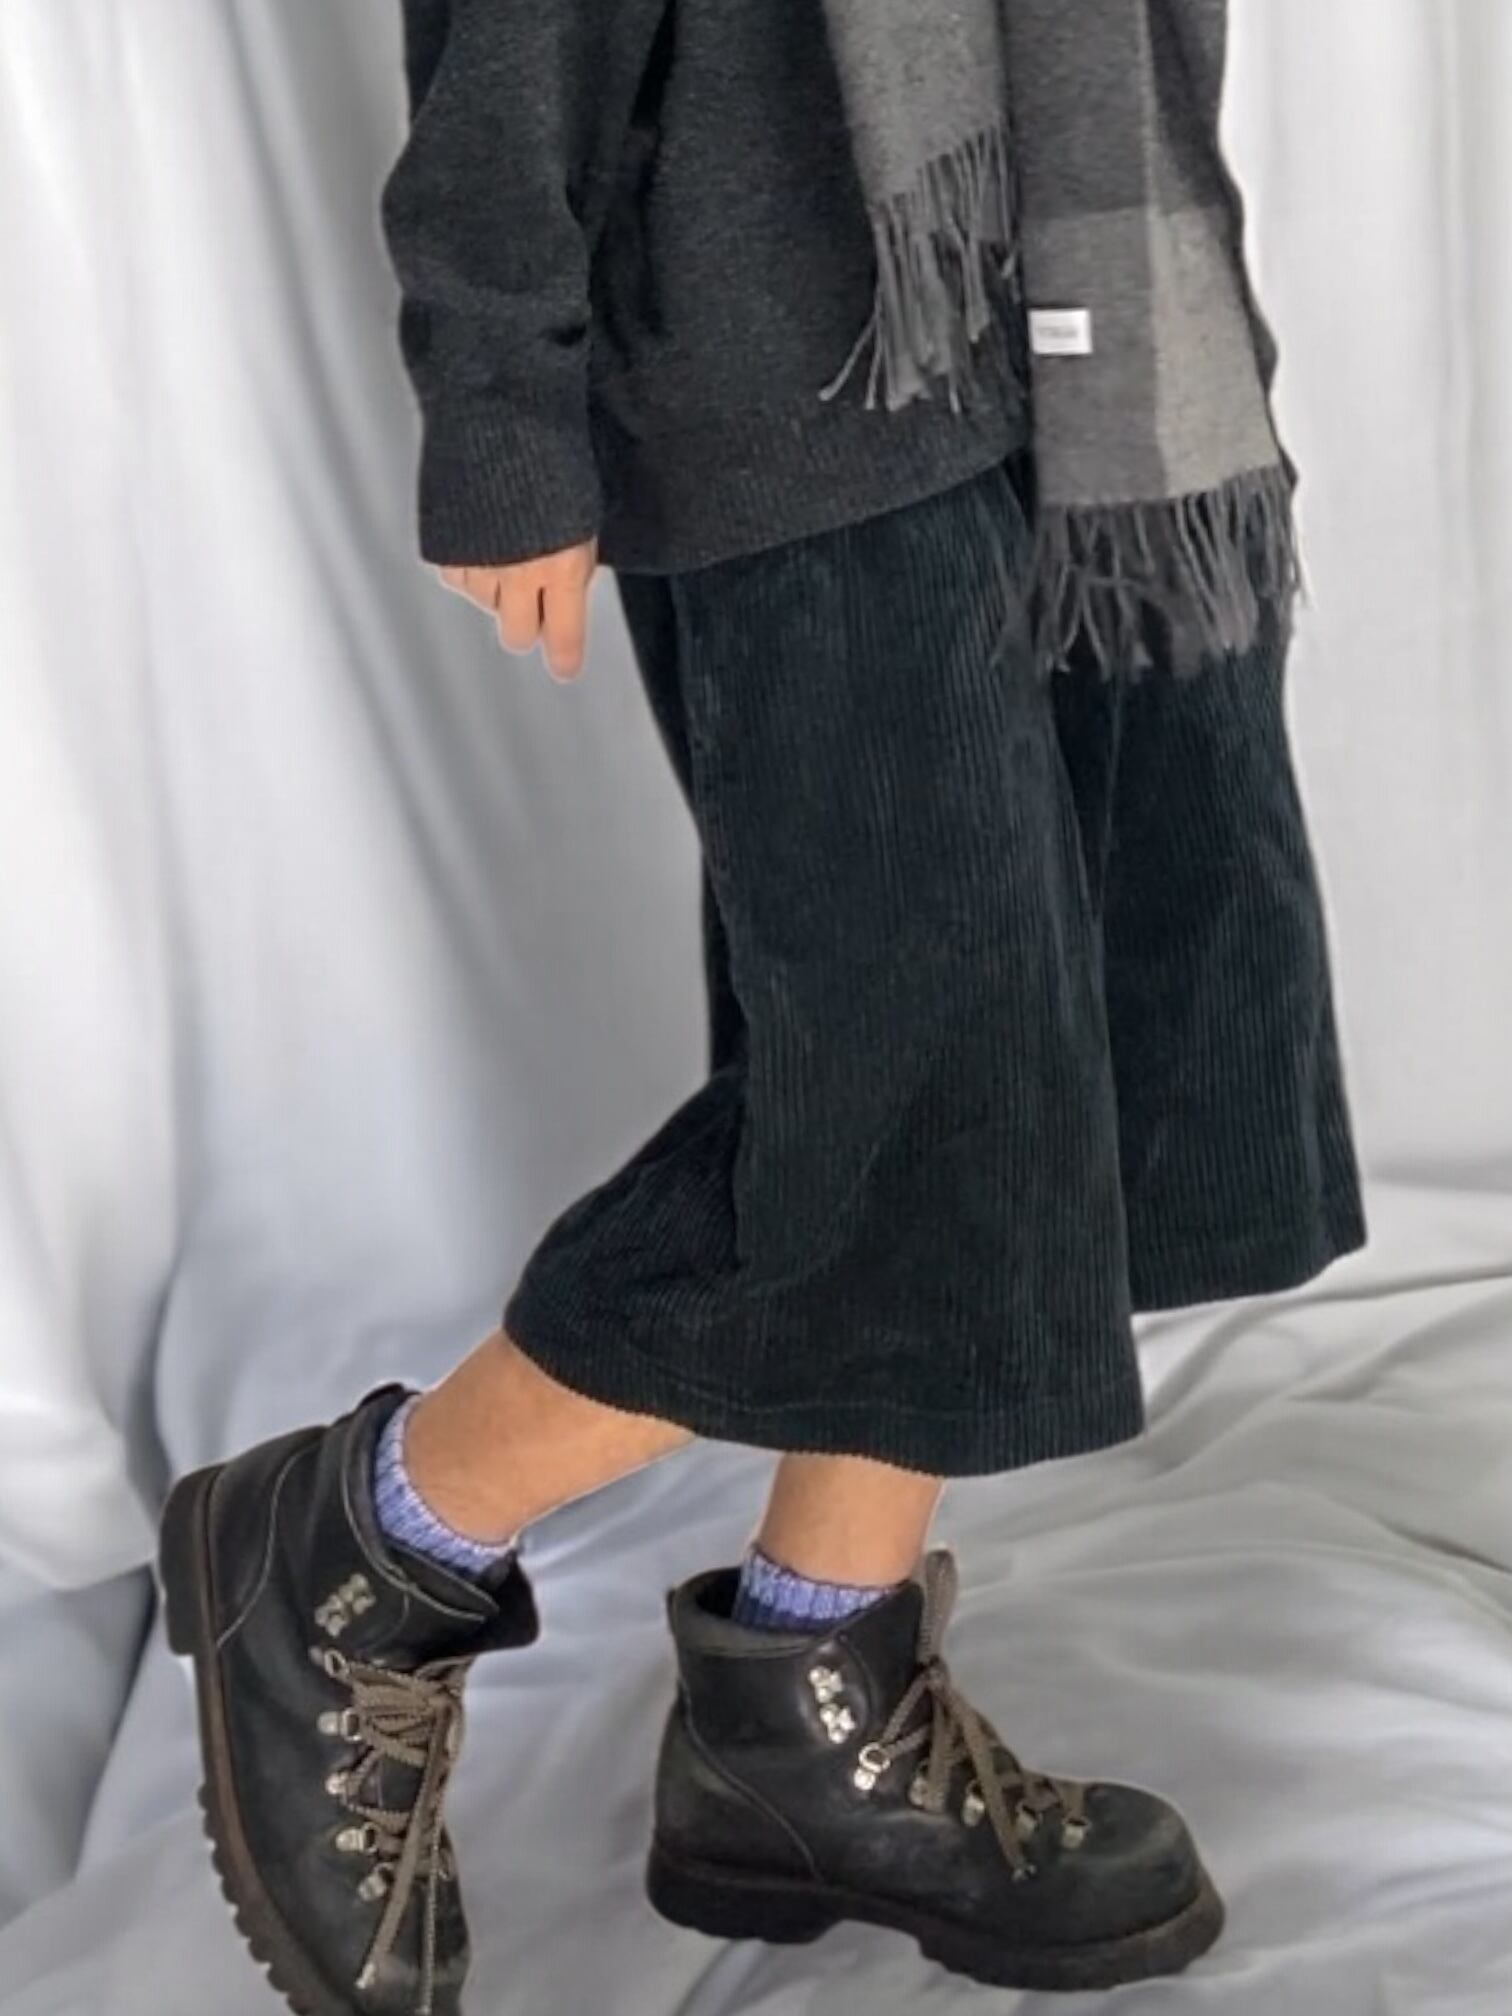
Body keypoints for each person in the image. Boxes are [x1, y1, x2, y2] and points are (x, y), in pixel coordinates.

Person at [158, 4, 1366, 2012]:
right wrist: (500, 395)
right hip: (792, 343)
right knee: (926, 1102)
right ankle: (360, 1545)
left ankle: (808, 1701)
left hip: (1110, 354)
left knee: (1111, 1035)